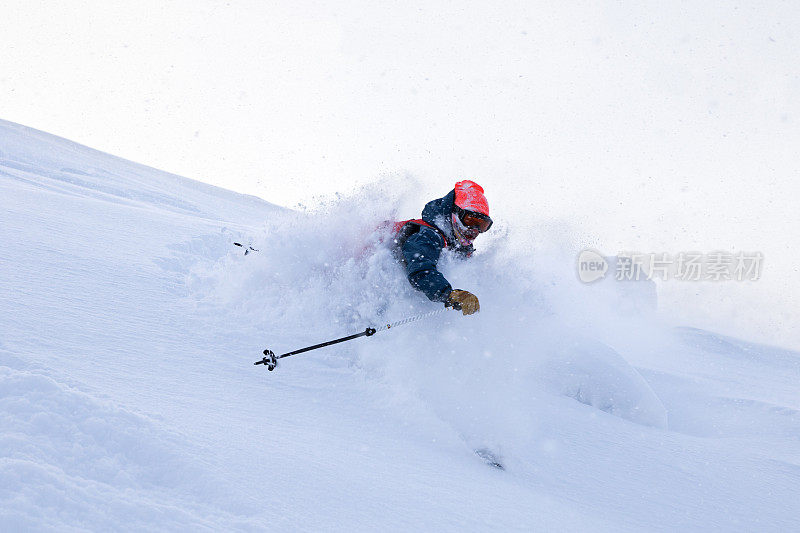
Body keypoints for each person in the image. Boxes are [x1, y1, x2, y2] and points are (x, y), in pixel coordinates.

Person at [392, 180, 492, 316]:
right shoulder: (428, 235)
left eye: (482, 225)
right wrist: (448, 294)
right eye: (470, 221)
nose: (474, 230)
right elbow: (420, 269)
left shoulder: (459, 247)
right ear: (455, 212)